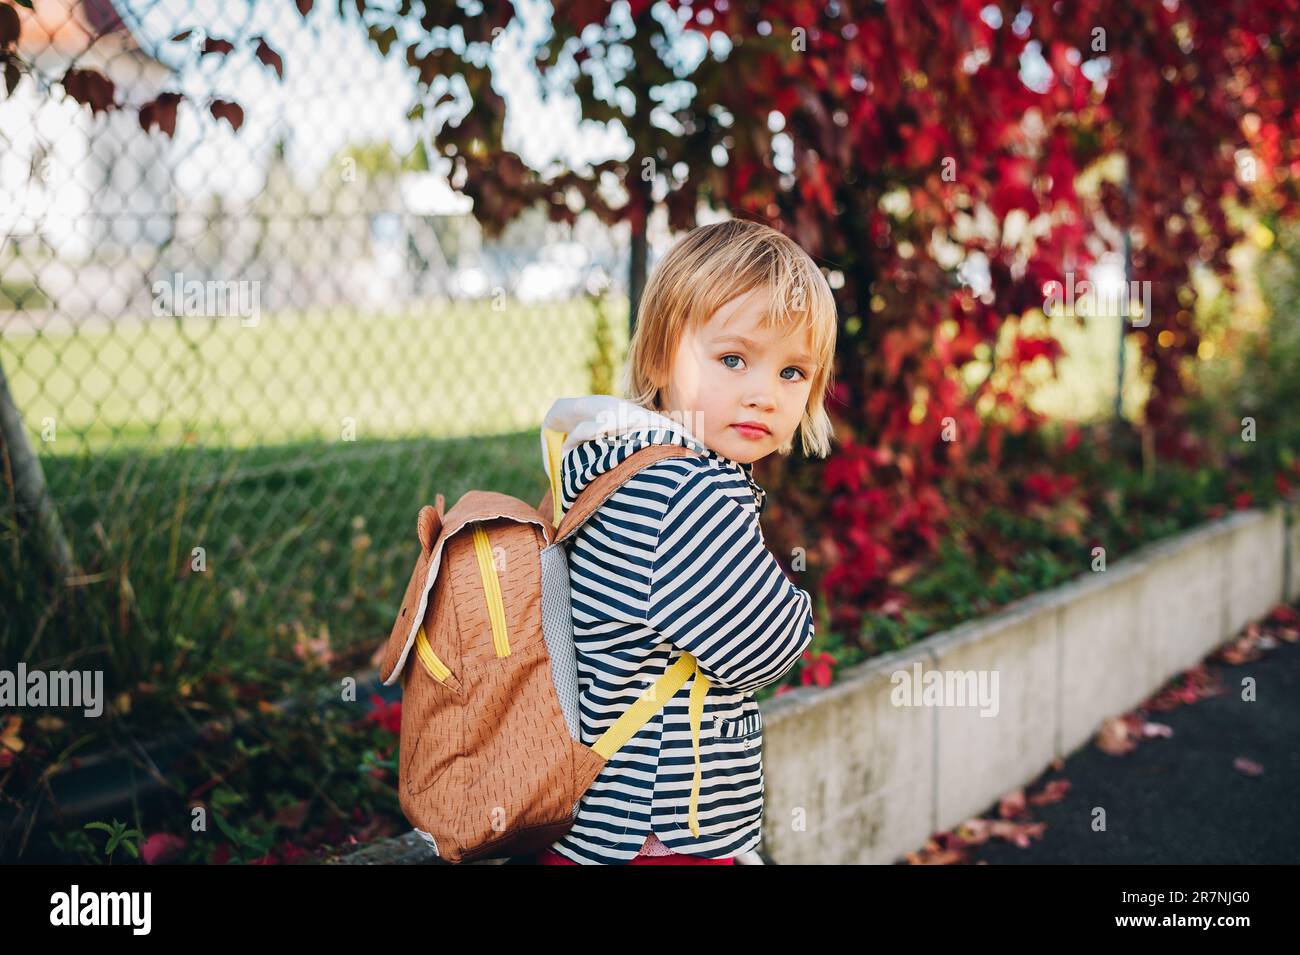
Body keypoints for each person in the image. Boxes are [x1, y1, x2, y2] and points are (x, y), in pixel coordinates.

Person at [534, 218, 839, 865]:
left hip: (599, 816)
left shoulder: (620, 462)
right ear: (657, 357)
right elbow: (762, 644)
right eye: (734, 359)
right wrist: (797, 612)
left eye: (793, 372)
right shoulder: (685, 492)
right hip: (660, 828)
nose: (764, 394)